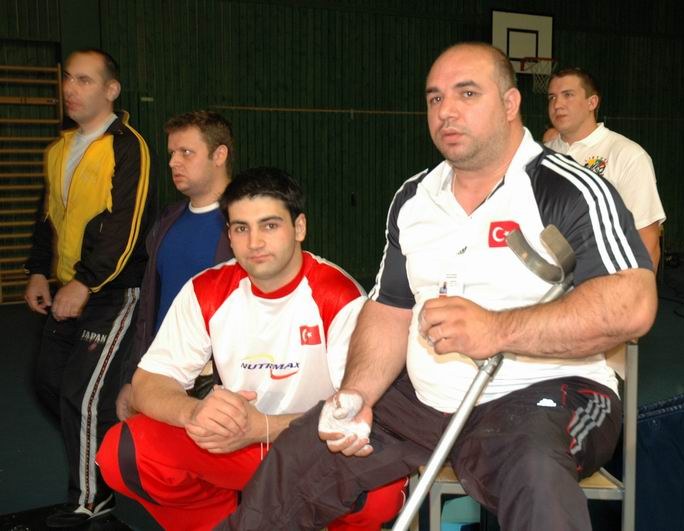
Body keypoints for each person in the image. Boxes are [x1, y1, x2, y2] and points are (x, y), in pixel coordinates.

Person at [220, 42, 657, 531]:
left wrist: (497, 329)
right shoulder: (414, 198)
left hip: (549, 395)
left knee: (535, 476)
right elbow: (390, 309)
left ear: (510, 104)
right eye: (434, 98)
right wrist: (358, 394)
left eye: (467, 93)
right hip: (425, 402)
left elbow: (633, 304)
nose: (446, 110)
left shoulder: (568, 190)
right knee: (300, 456)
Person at [96, 167, 407, 531]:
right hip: (236, 445)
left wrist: (265, 427)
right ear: (229, 235)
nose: (255, 242)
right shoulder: (206, 290)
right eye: (241, 228)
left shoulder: (340, 298)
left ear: (299, 228)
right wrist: (194, 412)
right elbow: (149, 381)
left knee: (379, 490)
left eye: (269, 225)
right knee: (124, 452)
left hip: (314, 448)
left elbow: (359, 412)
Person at [22, 48, 152, 527]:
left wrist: (85, 281)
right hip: (66, 288)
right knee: (49, 383)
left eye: (83, 80)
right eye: (67, 79)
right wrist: (39, 271)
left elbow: (125, 227)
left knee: (84, 395)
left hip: (113, 293)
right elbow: (48, 217)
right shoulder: (60, 149)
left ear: (110, 90)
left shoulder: (128, 146)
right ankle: (107, 451)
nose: (69, 89)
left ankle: (93, 498)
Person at [116, 110, 235, 421]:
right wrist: (134, 377)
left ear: (219, 155)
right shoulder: (167, 221)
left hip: (219, 383)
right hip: (163, 376)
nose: (173, 162)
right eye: (172, 153)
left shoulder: (247, 224)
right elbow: (148, 309)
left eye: (186, 152)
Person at [545, 67, 666, 269]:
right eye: (552, 97)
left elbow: (648, 240)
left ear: (592, 102)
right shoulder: (540, 155)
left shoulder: (627, 155)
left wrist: (637, 287)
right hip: (551, 278)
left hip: (606, 277)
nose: (557, 104)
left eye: (568, 95)